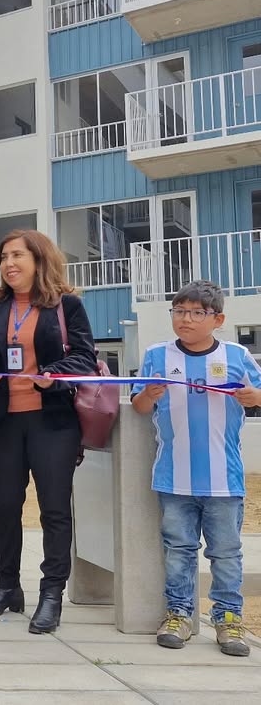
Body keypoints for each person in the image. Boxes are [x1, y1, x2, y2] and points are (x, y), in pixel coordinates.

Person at [0, 229, 96, 634]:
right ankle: (7, 587)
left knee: (54, 510)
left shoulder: (67, 306)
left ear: (39, 260)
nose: (8, 264)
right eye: (3, 257)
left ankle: (51, 594)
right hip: (4, 421)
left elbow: (85, 358)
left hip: (52, 422)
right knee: (5, 506)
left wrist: (51, 374)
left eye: (17, 255)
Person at [131, 279, 261, 657]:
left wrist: (255, 396)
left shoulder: (237, 355)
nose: (185, 319)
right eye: (179, 311)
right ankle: (179, 614)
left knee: (226, 553)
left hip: (225, 480)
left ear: (217, 319)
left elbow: (258, 394)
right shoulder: (157, 355)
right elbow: (139, 407)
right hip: (173, 479)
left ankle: (228, 618)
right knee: (178, 550)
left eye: (196, 312)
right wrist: (148, 394)